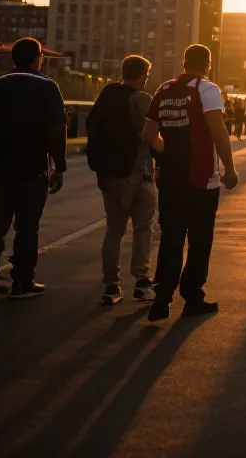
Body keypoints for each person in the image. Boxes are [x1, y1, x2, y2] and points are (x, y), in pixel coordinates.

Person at [143, 44, 237, 321]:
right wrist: (229, 168)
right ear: (208, 64)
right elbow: (218, 132)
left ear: (183, 63)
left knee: (171, 237)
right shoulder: (206, 90)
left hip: (170, 178)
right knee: (199, 240)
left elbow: (149, 134)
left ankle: (161, 297)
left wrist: (167, 153)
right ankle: (192, 297)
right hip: (200, 179)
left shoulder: (164, 90)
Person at [0, 38, 66, 302]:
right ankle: (22, 282)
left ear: (12, 59)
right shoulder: (48, 87)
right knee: (27, 227)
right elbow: (57, 130)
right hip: (32, 167)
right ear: (37, 58)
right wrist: (58, 166)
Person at [88, 55, 157, 305]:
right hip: (138, 174)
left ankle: (111, 286)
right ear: (143, 75)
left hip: (109, 175)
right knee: (142, 228)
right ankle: (141, 282)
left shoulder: (107, 96)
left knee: (114, 231)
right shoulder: (142, 99)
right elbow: (152, 137)